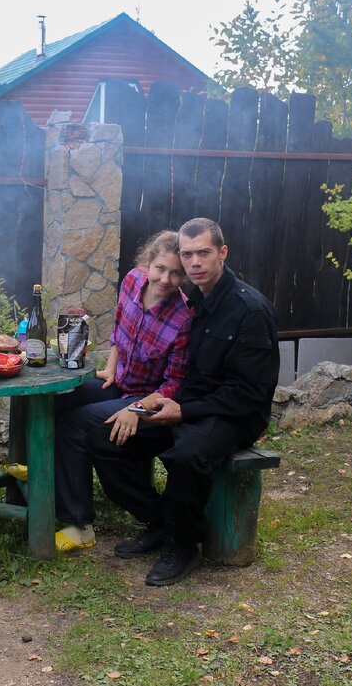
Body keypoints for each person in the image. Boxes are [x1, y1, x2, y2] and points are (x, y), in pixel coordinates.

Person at [88, 217, 279, 586]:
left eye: (203, 253)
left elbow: (250, 394)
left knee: (187, 453)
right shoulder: (195, 303)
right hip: (185, 404)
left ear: (222, 253)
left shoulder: (251, 311)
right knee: (104, 436)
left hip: (233, 415)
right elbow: (179, 375)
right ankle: (160, 520)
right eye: (188, 255)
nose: (194, 263)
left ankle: (183, 545)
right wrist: (152, 402)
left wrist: (184, 410)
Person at [52, 229, 194, 552]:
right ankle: (42, 483)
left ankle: (78, 525)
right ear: (148, 262)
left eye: (176, 273)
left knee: (75, 425)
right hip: (119, 383)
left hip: (146, 402)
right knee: (59, 399)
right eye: (160, 268)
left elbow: (173, 384)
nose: (165, 279)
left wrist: (136, 409)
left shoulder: (183, 318)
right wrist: (111, 368)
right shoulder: (132, 281)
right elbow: (119, 328)